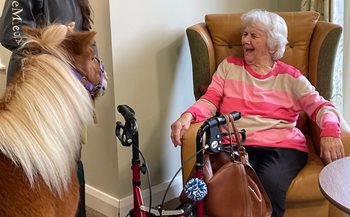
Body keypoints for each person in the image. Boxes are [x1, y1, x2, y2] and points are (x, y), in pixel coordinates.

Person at [170, 9, 345, 217]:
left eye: (254, 35)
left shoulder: (291, 78)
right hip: (236, 143)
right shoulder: (228, 68)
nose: (245, 39)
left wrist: (330, 132)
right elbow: (209, 100)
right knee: (232, 184)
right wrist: (187, 116)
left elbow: (321, 107)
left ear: (272, 45)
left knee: (270, 183)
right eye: (245, 34)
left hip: (283, 148)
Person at [0, 0, 96, 216]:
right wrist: (54, 50)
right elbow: (10, 32)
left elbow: (85, 36)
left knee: (70, 161)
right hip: (37, 93)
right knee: (31, 171)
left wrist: (93, 67)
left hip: (65, 93)